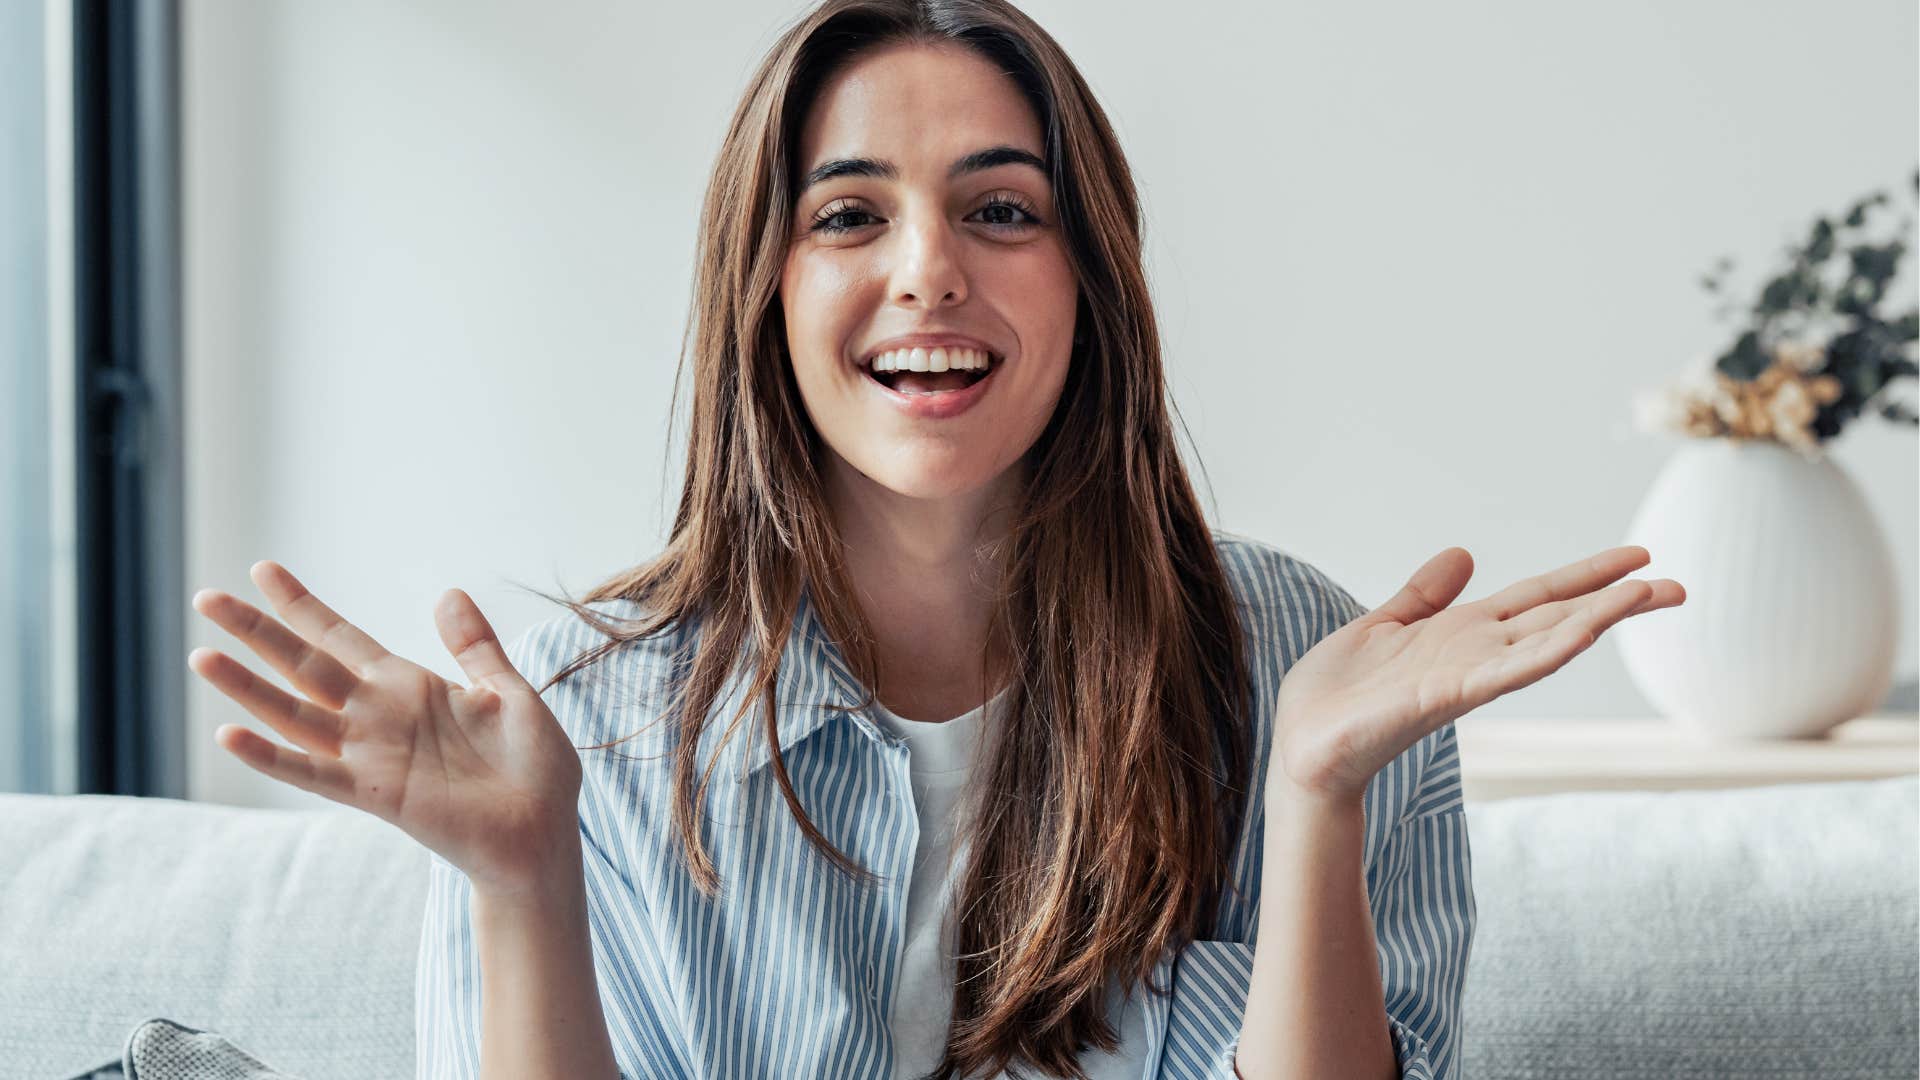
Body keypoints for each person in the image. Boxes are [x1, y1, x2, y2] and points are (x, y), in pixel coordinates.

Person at [186, 0, 1687, 1077]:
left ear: (1092, 281)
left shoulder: (1320, 670)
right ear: (760, 289)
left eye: (1004, 212)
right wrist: (523, 880)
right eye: (848, 215)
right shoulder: (570, 713)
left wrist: (1312, 794)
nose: (929, 273)